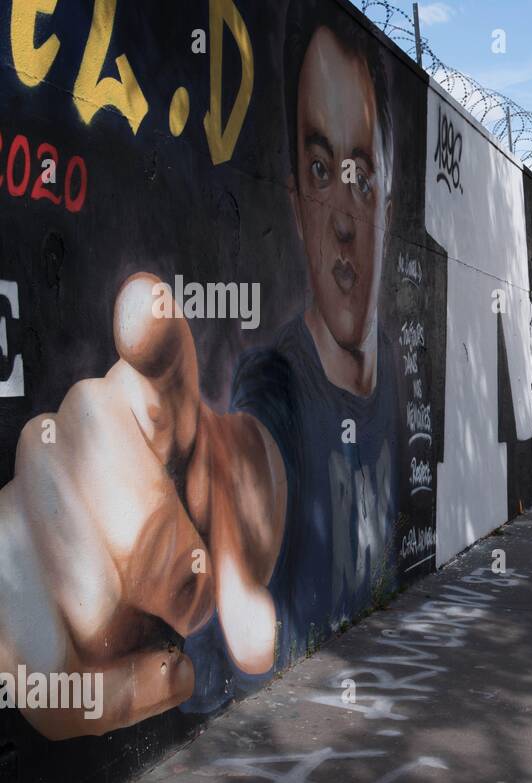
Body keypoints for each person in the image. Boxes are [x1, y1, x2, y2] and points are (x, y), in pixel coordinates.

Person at [0, 2, 403, 736]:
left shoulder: (400, 378)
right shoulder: (274, 381)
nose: (344, 214)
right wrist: (213, 474)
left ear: (389, 200)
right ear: (294, 197)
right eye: (321, 169)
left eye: (361, 174)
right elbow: (255, 443)